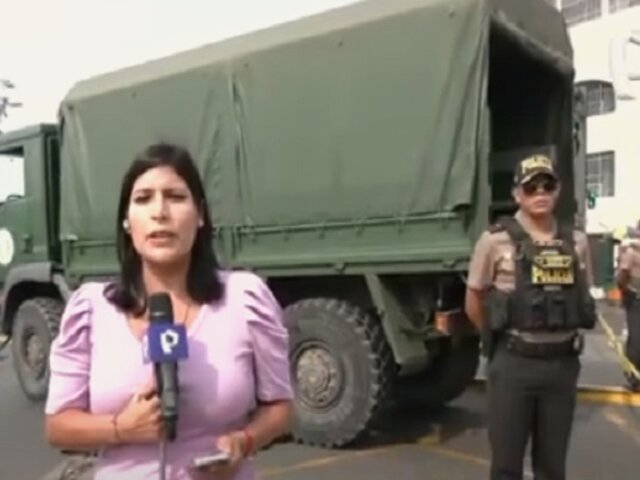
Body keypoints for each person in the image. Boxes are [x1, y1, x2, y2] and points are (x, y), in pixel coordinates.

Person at [44, 143, 294, 480]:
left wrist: (244, 441)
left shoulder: (244, 298)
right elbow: (58, 427)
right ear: (126, 221)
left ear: (200, 215)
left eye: (175, 197)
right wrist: (121, 428)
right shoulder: (91, 308)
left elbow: (281, 408)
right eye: (143, 199)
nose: (160, 212)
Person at [464, 154, 597, 480]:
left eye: (547, 185)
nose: (540, 192)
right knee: (506, 466)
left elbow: (583, 294)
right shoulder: (494, 240)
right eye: (531, 186)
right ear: (517, 194)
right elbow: (474, 300)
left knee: (552, 467)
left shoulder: (576, 241)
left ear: (558, 190)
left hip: (562, 366)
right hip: (514, 363)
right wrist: (496, 341)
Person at [615, 220, 640, 392]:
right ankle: (634, 377)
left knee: (636, 339)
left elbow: (623, 273)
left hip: (635, 297)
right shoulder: (632, 251)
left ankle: (634, 377)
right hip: (635, 298)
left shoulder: (631, 251)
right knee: (636, 340)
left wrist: (623, 286)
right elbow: (623, 272)